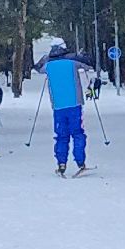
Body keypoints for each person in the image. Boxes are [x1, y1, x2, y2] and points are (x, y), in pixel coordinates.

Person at [34, 42, 95, 175]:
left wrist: (46, 57)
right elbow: (88, 64)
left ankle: (61, 163)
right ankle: (80, 161)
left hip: (58, 105)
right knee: (77, 133)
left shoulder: (48, 64)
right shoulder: (72, 61)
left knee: (61, 135)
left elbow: (37, 68)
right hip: (74, 104)